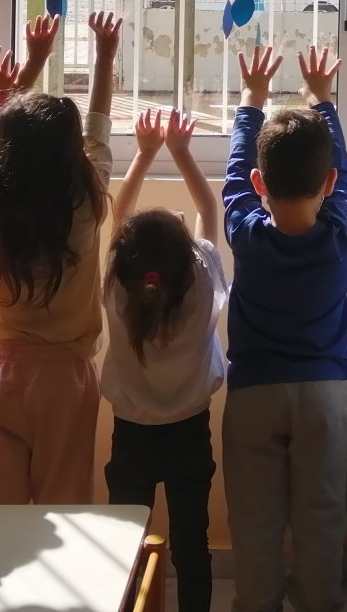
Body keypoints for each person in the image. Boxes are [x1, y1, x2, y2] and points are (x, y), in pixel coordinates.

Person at [221, 45, 347, 612]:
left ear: (261, 182)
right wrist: (323, 99)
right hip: (324, 394)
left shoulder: (246, 232)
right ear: (327, 181)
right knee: (320, 518)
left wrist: (251, 100)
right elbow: (345, 175)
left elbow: (234, 176)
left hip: (253, 393)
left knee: (254, 522)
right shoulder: (339, 231)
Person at [0, 14, 105, 505]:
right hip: (65, 380)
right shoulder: (86, 204)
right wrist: (106, 55)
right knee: (64, 512)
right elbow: (99, 128)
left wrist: (33, 63)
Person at [102, 107, 228, 612]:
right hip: (188, 433)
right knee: (192, 546)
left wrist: (145, 154)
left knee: (122, 544)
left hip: (131, 433)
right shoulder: (201, 281)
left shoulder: (120, 289)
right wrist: (180, 152)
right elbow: (209, 209)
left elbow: (120, 213)